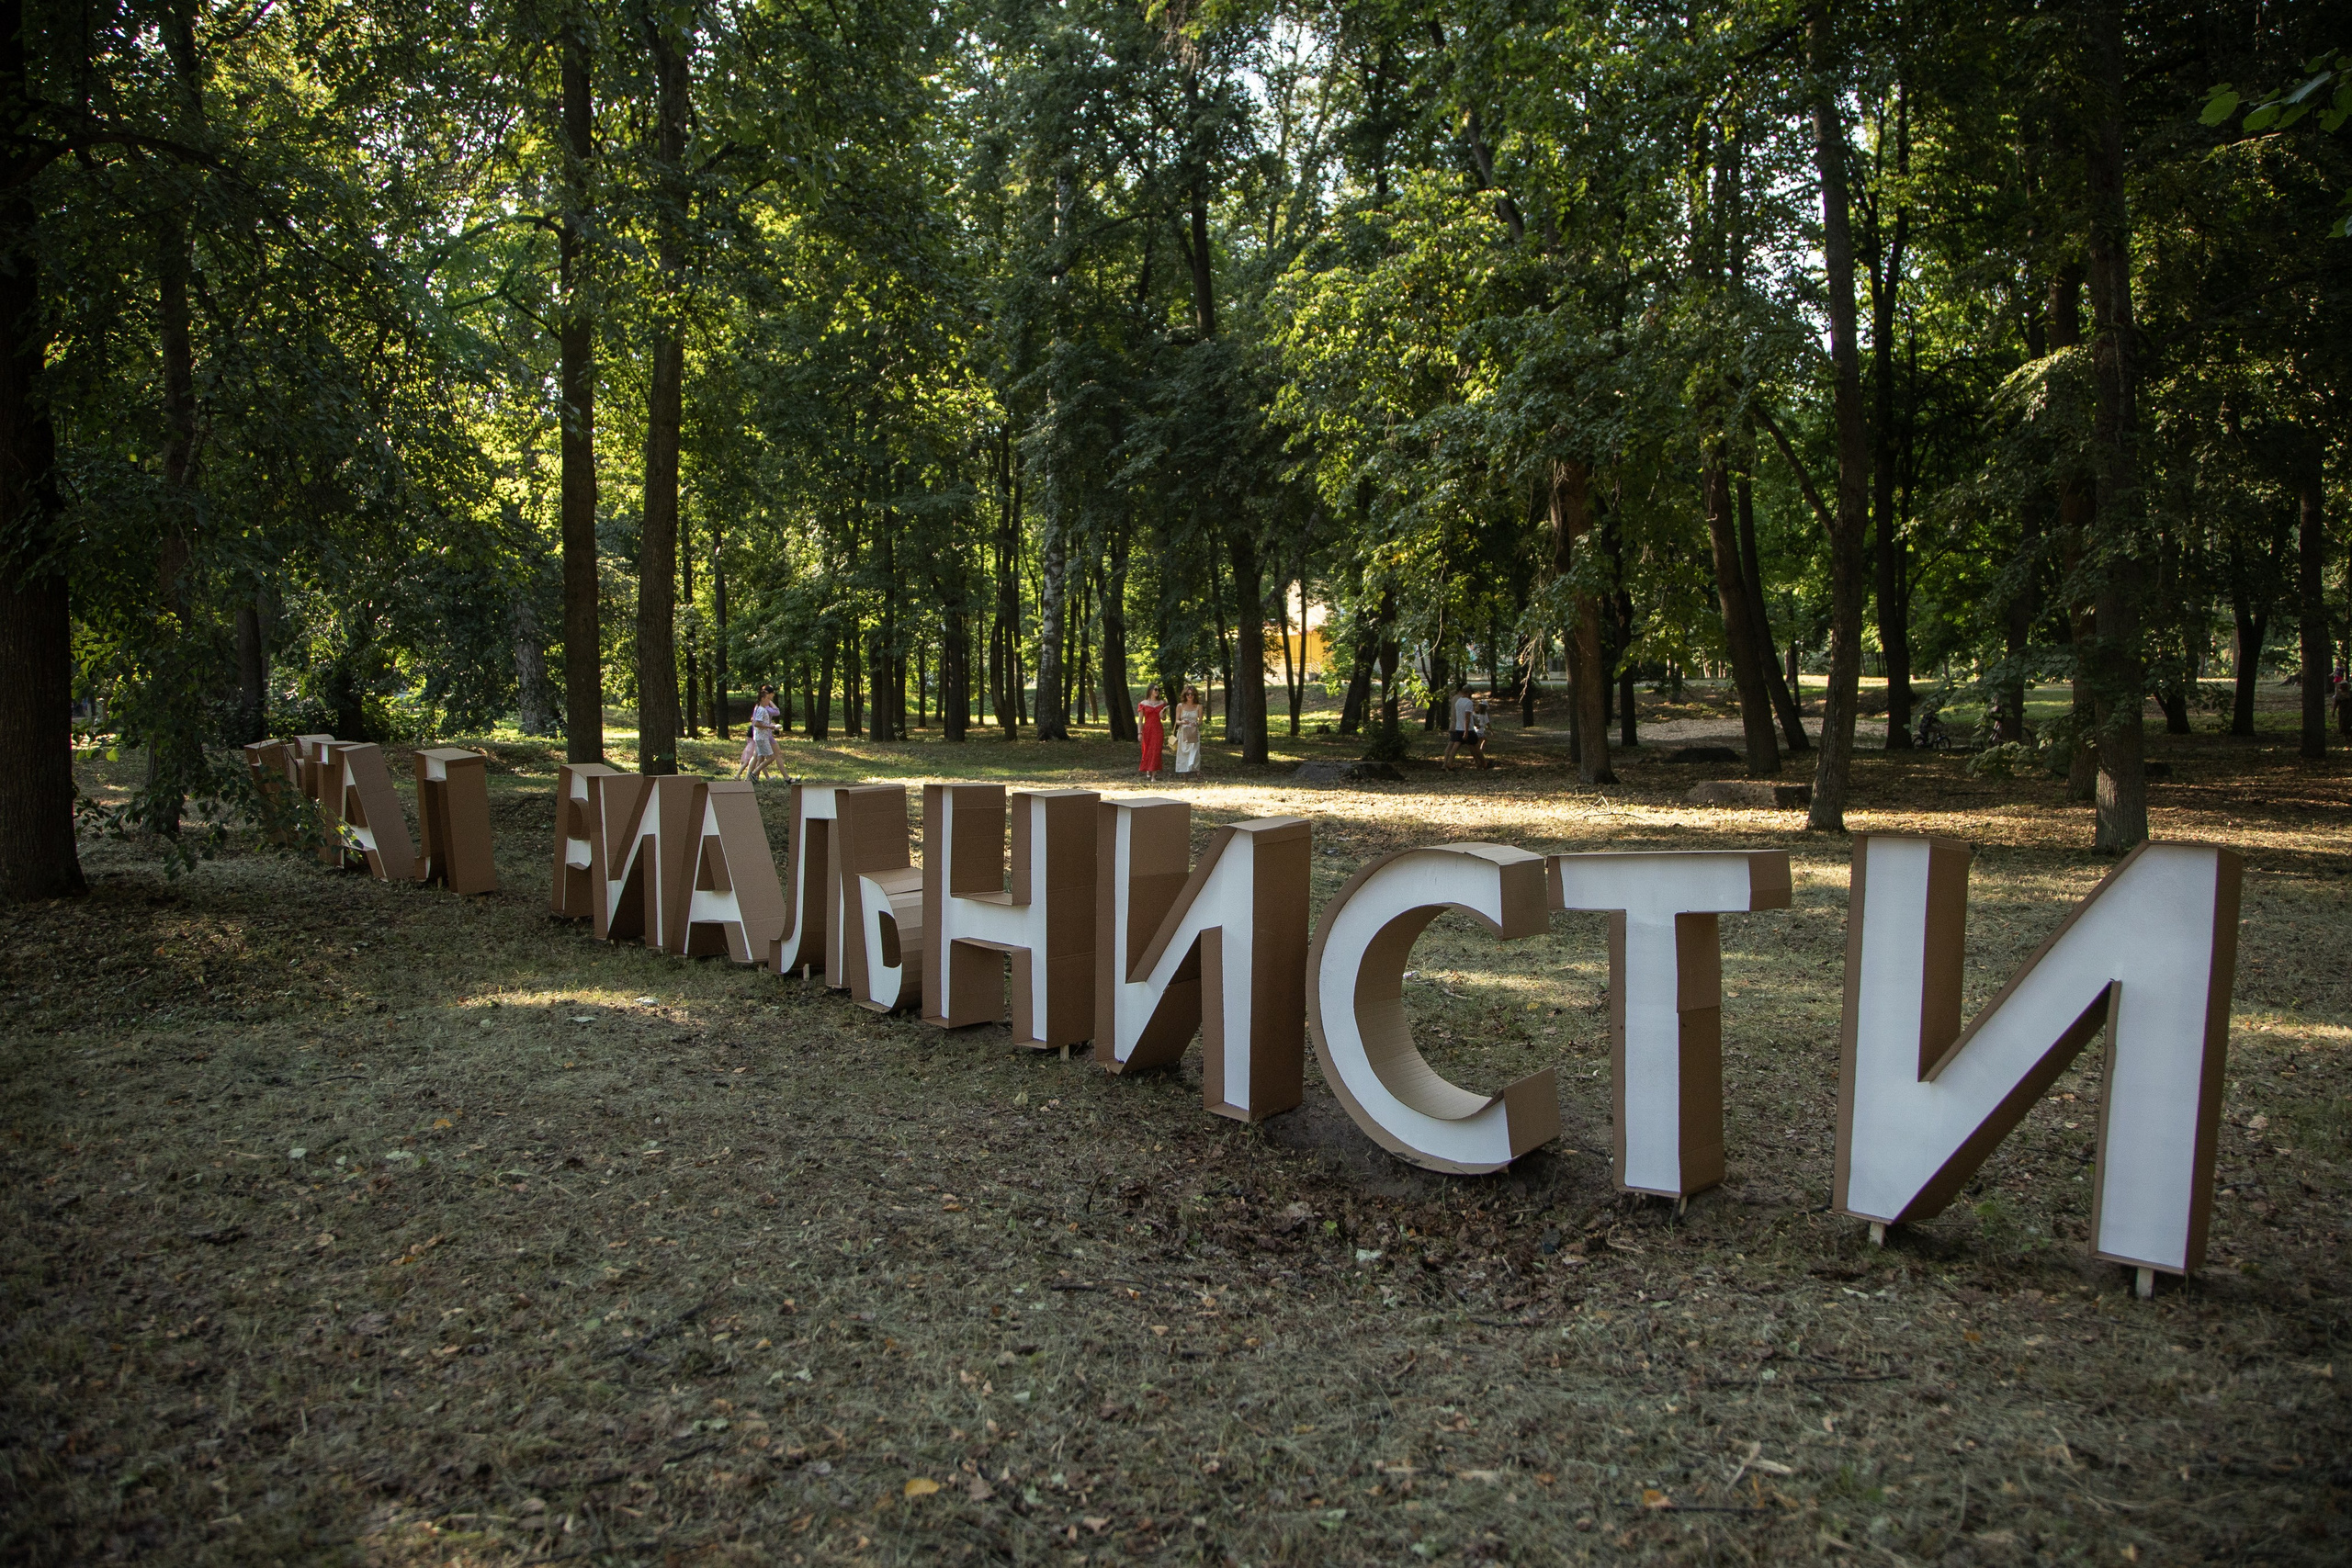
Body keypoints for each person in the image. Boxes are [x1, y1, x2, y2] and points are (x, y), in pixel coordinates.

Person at [738, 685, 781, 781]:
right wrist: (771, 727)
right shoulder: (761, 709)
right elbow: (757, 723)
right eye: (768, 699)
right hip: (761, 737)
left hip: (762, 736)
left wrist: (770, 724)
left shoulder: (761, 709)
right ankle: (753, 774)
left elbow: (760, 722)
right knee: (771, 757)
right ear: (762, 699)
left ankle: (751, 778)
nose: (769, 701)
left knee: (759, 757)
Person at [1136, 684, 1169, 777]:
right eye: (1155, 689)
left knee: (1156, 750)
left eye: (1159, 690)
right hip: (1147, 729)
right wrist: (1139, 733)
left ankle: (1153, 774)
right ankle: (1148, 768)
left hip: (1158, 729)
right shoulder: (1143, 703)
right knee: (1147, 750)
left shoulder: (1162, 703)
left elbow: (1163, 718)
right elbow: (1140, 720)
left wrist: (1162, 714)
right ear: (1150, 690)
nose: (1157, 691)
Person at [1442, 682, 1476, 769]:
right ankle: (1446, 763)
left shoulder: (1455, 698)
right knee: (1453, 745)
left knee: (1455, 745)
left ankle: (1447, 763)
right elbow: (1463, 715)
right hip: (1457, 725)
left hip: (1456, 724)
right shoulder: (1460, 699)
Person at [1172, 686, 1204, 779]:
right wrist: (1182, 722)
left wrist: (1196, 723)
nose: (1190, 696)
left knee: (1195, 751)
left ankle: (1196, 771)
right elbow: (1177, 721)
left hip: (1193, 731)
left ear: (1195, 695)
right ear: (1185, 695)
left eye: (1192, 694)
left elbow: (1201, 721)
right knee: (1183, 752)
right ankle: (1184, 773)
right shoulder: (1180, 706)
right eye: (1188, 694)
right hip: (1183, 732)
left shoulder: (1199, 706)